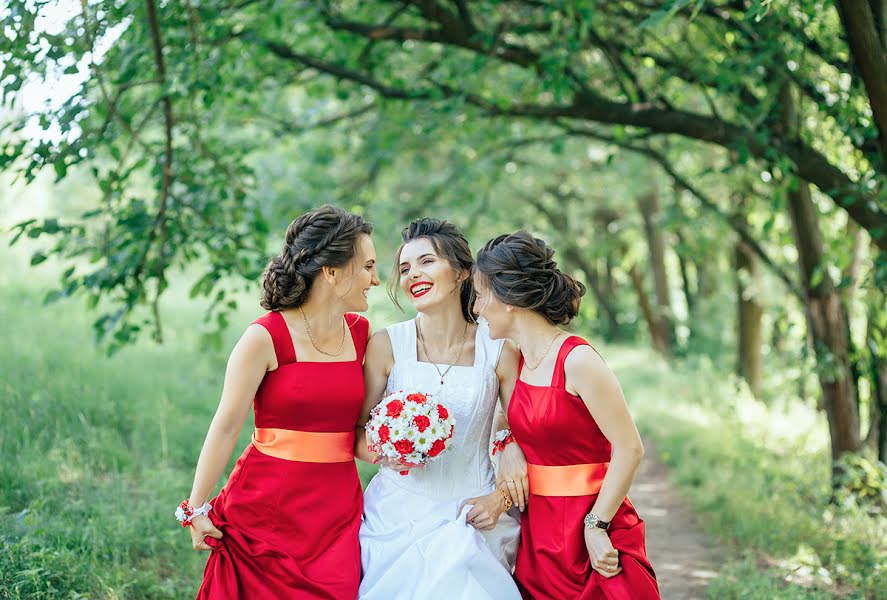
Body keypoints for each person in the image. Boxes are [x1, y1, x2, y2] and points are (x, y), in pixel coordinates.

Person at [179, 205, 380, 598]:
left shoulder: (362, 335)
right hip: (266, 510)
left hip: (336, 512)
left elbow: (363, 425)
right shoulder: (263, 337)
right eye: (368, 266)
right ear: (332, 271)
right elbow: (225, 425)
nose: (375, 279)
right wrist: (196, 507)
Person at [473, 231, 660, 600]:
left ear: (507, 298)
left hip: (590, 529)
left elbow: (630, 448)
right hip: (540, 539)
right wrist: (508, 442)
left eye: (480, 296)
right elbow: (502, 418)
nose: (477, 308)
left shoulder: (578, 360)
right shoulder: (517, 361)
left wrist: (596, 525)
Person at [356, 218, 525, 599]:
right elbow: (356, 435)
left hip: (474, 510)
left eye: (426, 262)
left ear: (462, 272)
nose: (412, 273)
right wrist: (387, 451)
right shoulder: (386, 345)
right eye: (404, 267)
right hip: (398, 514)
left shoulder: (497, 348)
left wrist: (500, 498)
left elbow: (522, 430)